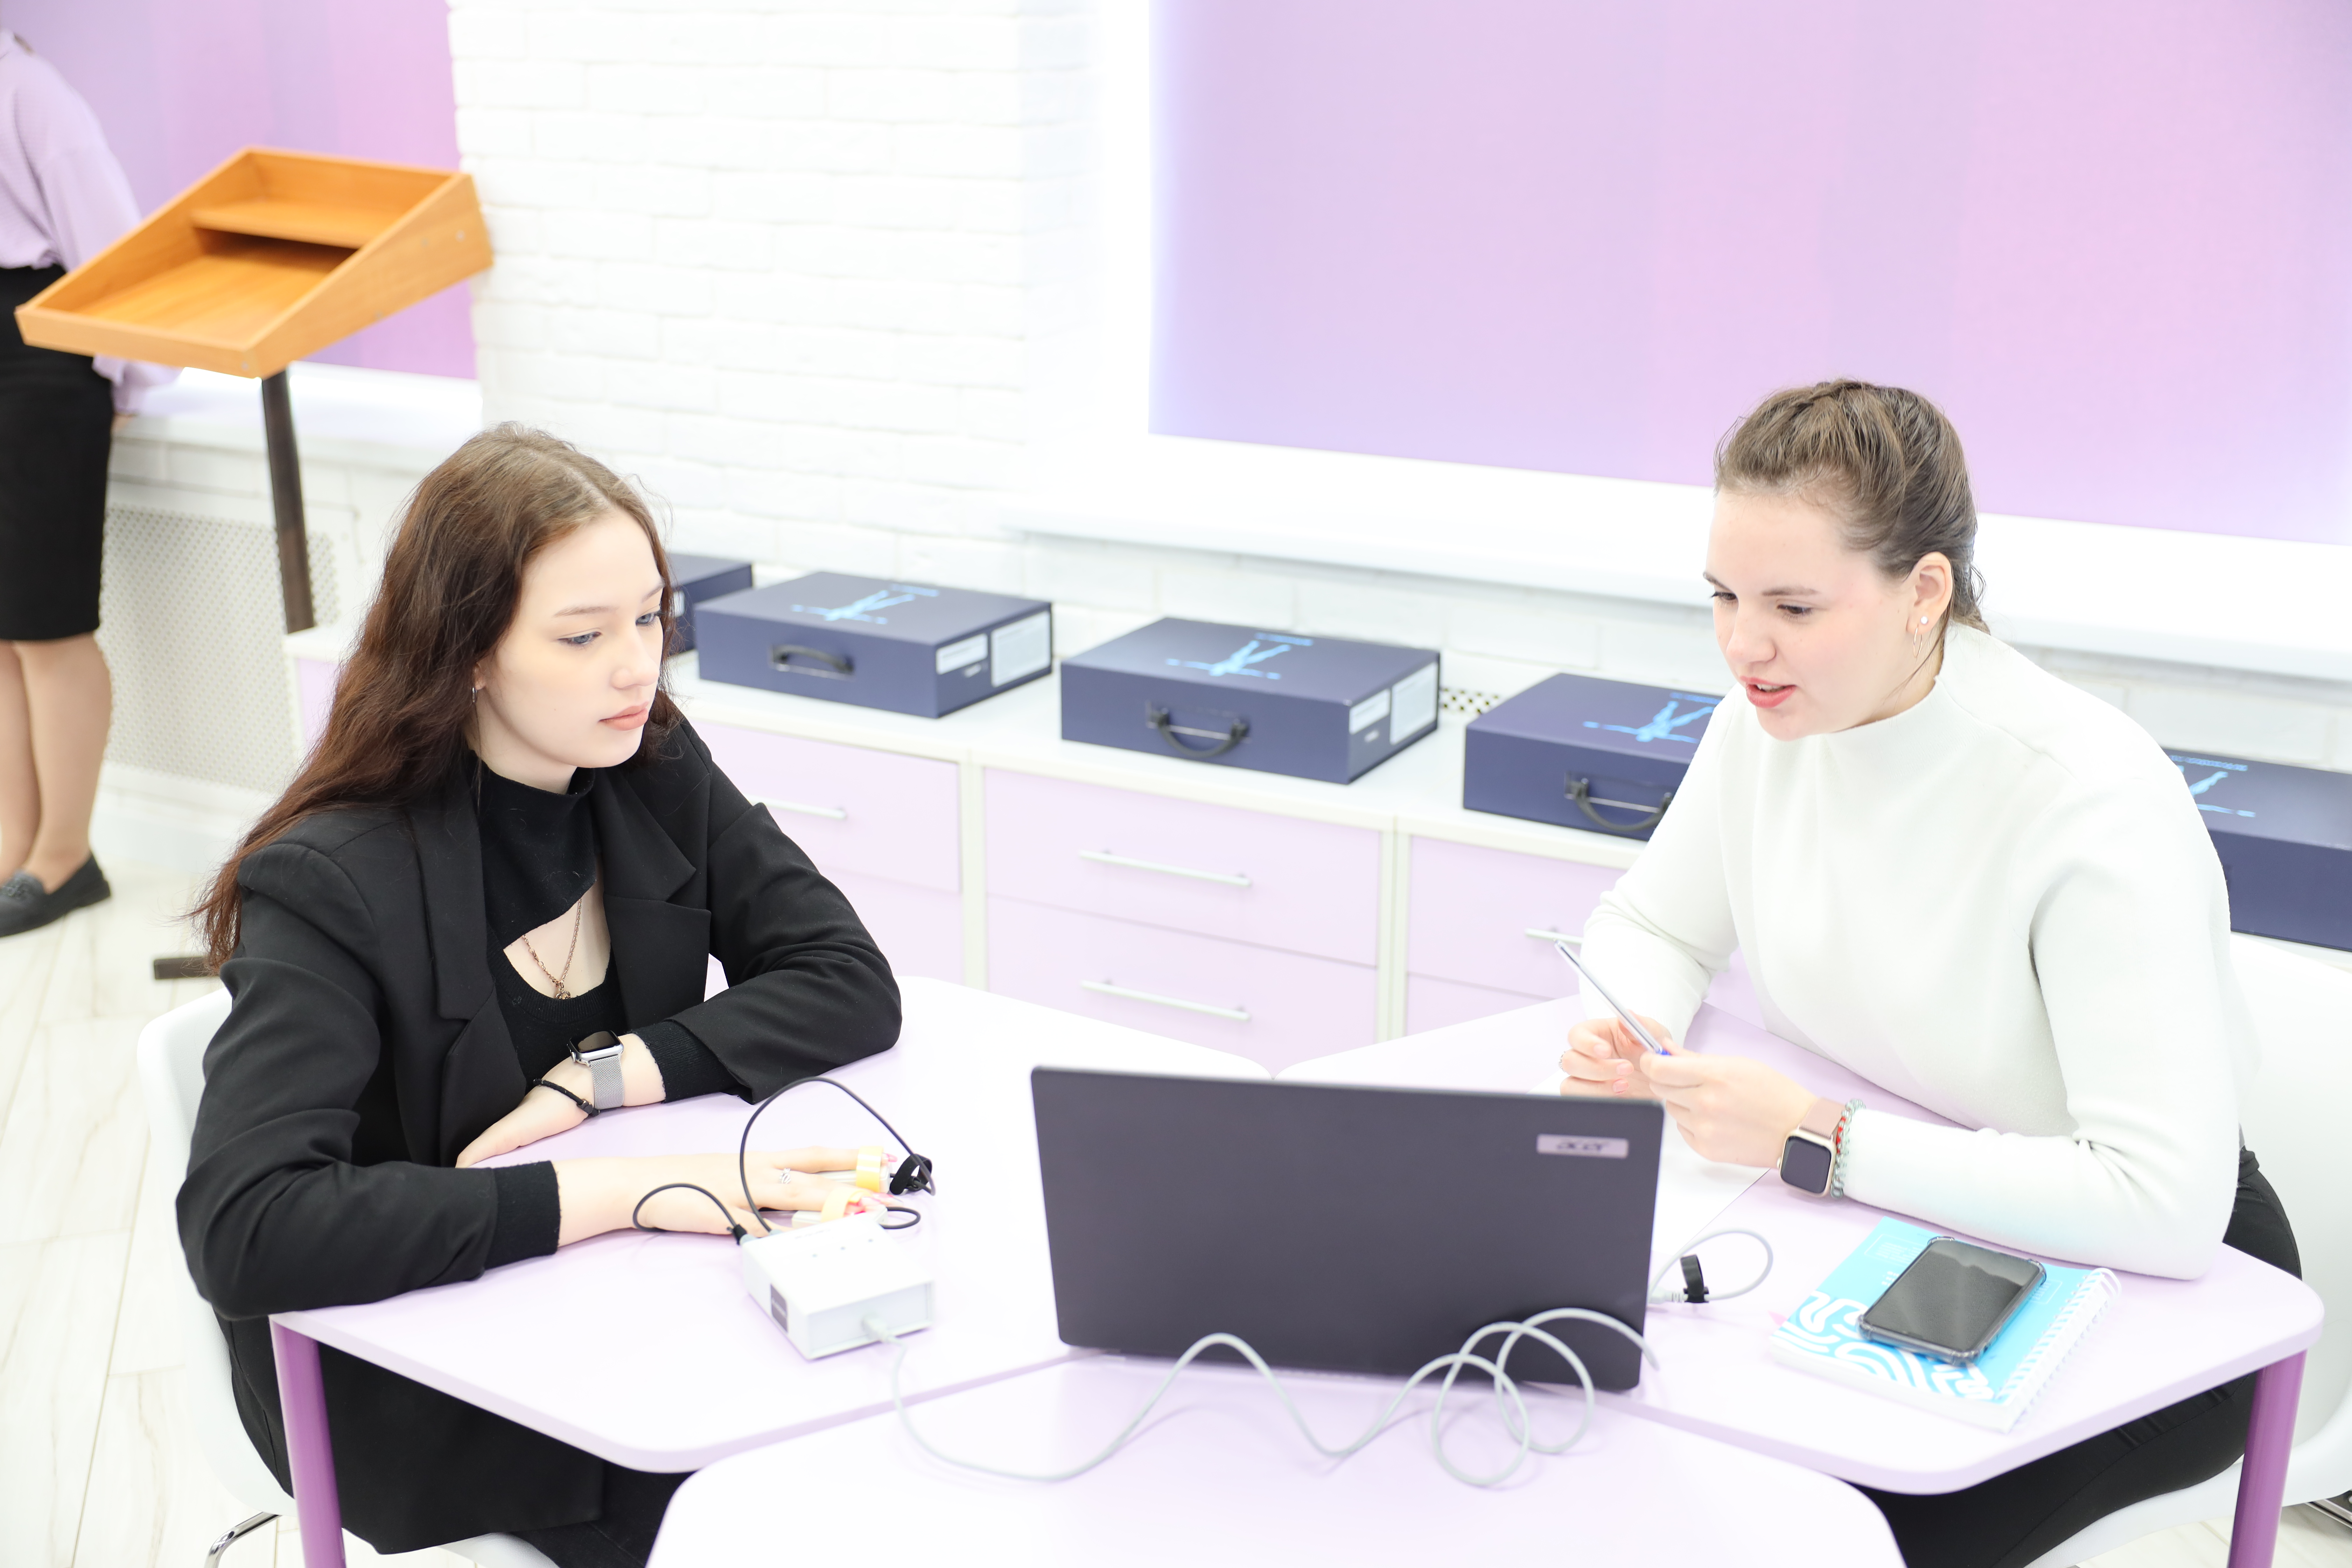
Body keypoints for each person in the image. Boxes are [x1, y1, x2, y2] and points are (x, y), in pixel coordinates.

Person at [1557, 381, 2298, 1568]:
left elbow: (2163, 1203)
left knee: (1829, 1539)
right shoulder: (1769, 719)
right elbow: (1652, 920)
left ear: (1926, 592)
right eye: (1725, 597)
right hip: (1903, 1207)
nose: (1744, 644)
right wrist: (1635, 1025)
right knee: (1634, 1461)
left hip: (2158, 1291)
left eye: (1795, 605)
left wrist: (1816, 1138)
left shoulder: (2086, 795)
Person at [178, 426, 904, 1567]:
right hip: (413, 1375)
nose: (636, 667)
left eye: (650, 619)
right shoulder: (334, 879)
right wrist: (625, 1192)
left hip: (613, 1309)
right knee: (761, 1516)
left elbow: (847, 977)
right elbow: (248, 1227)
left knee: (870, 1438)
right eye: (583, 635)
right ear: (468, 652)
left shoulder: (651, 764)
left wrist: (598, 1078)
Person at [0, 31, 173, 936]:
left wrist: (128, 381)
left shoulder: (30, 90)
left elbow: (109, 247)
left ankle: (64, 856)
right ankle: (13, 848)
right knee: (2, 634)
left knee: (46, 624)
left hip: (40, 354)